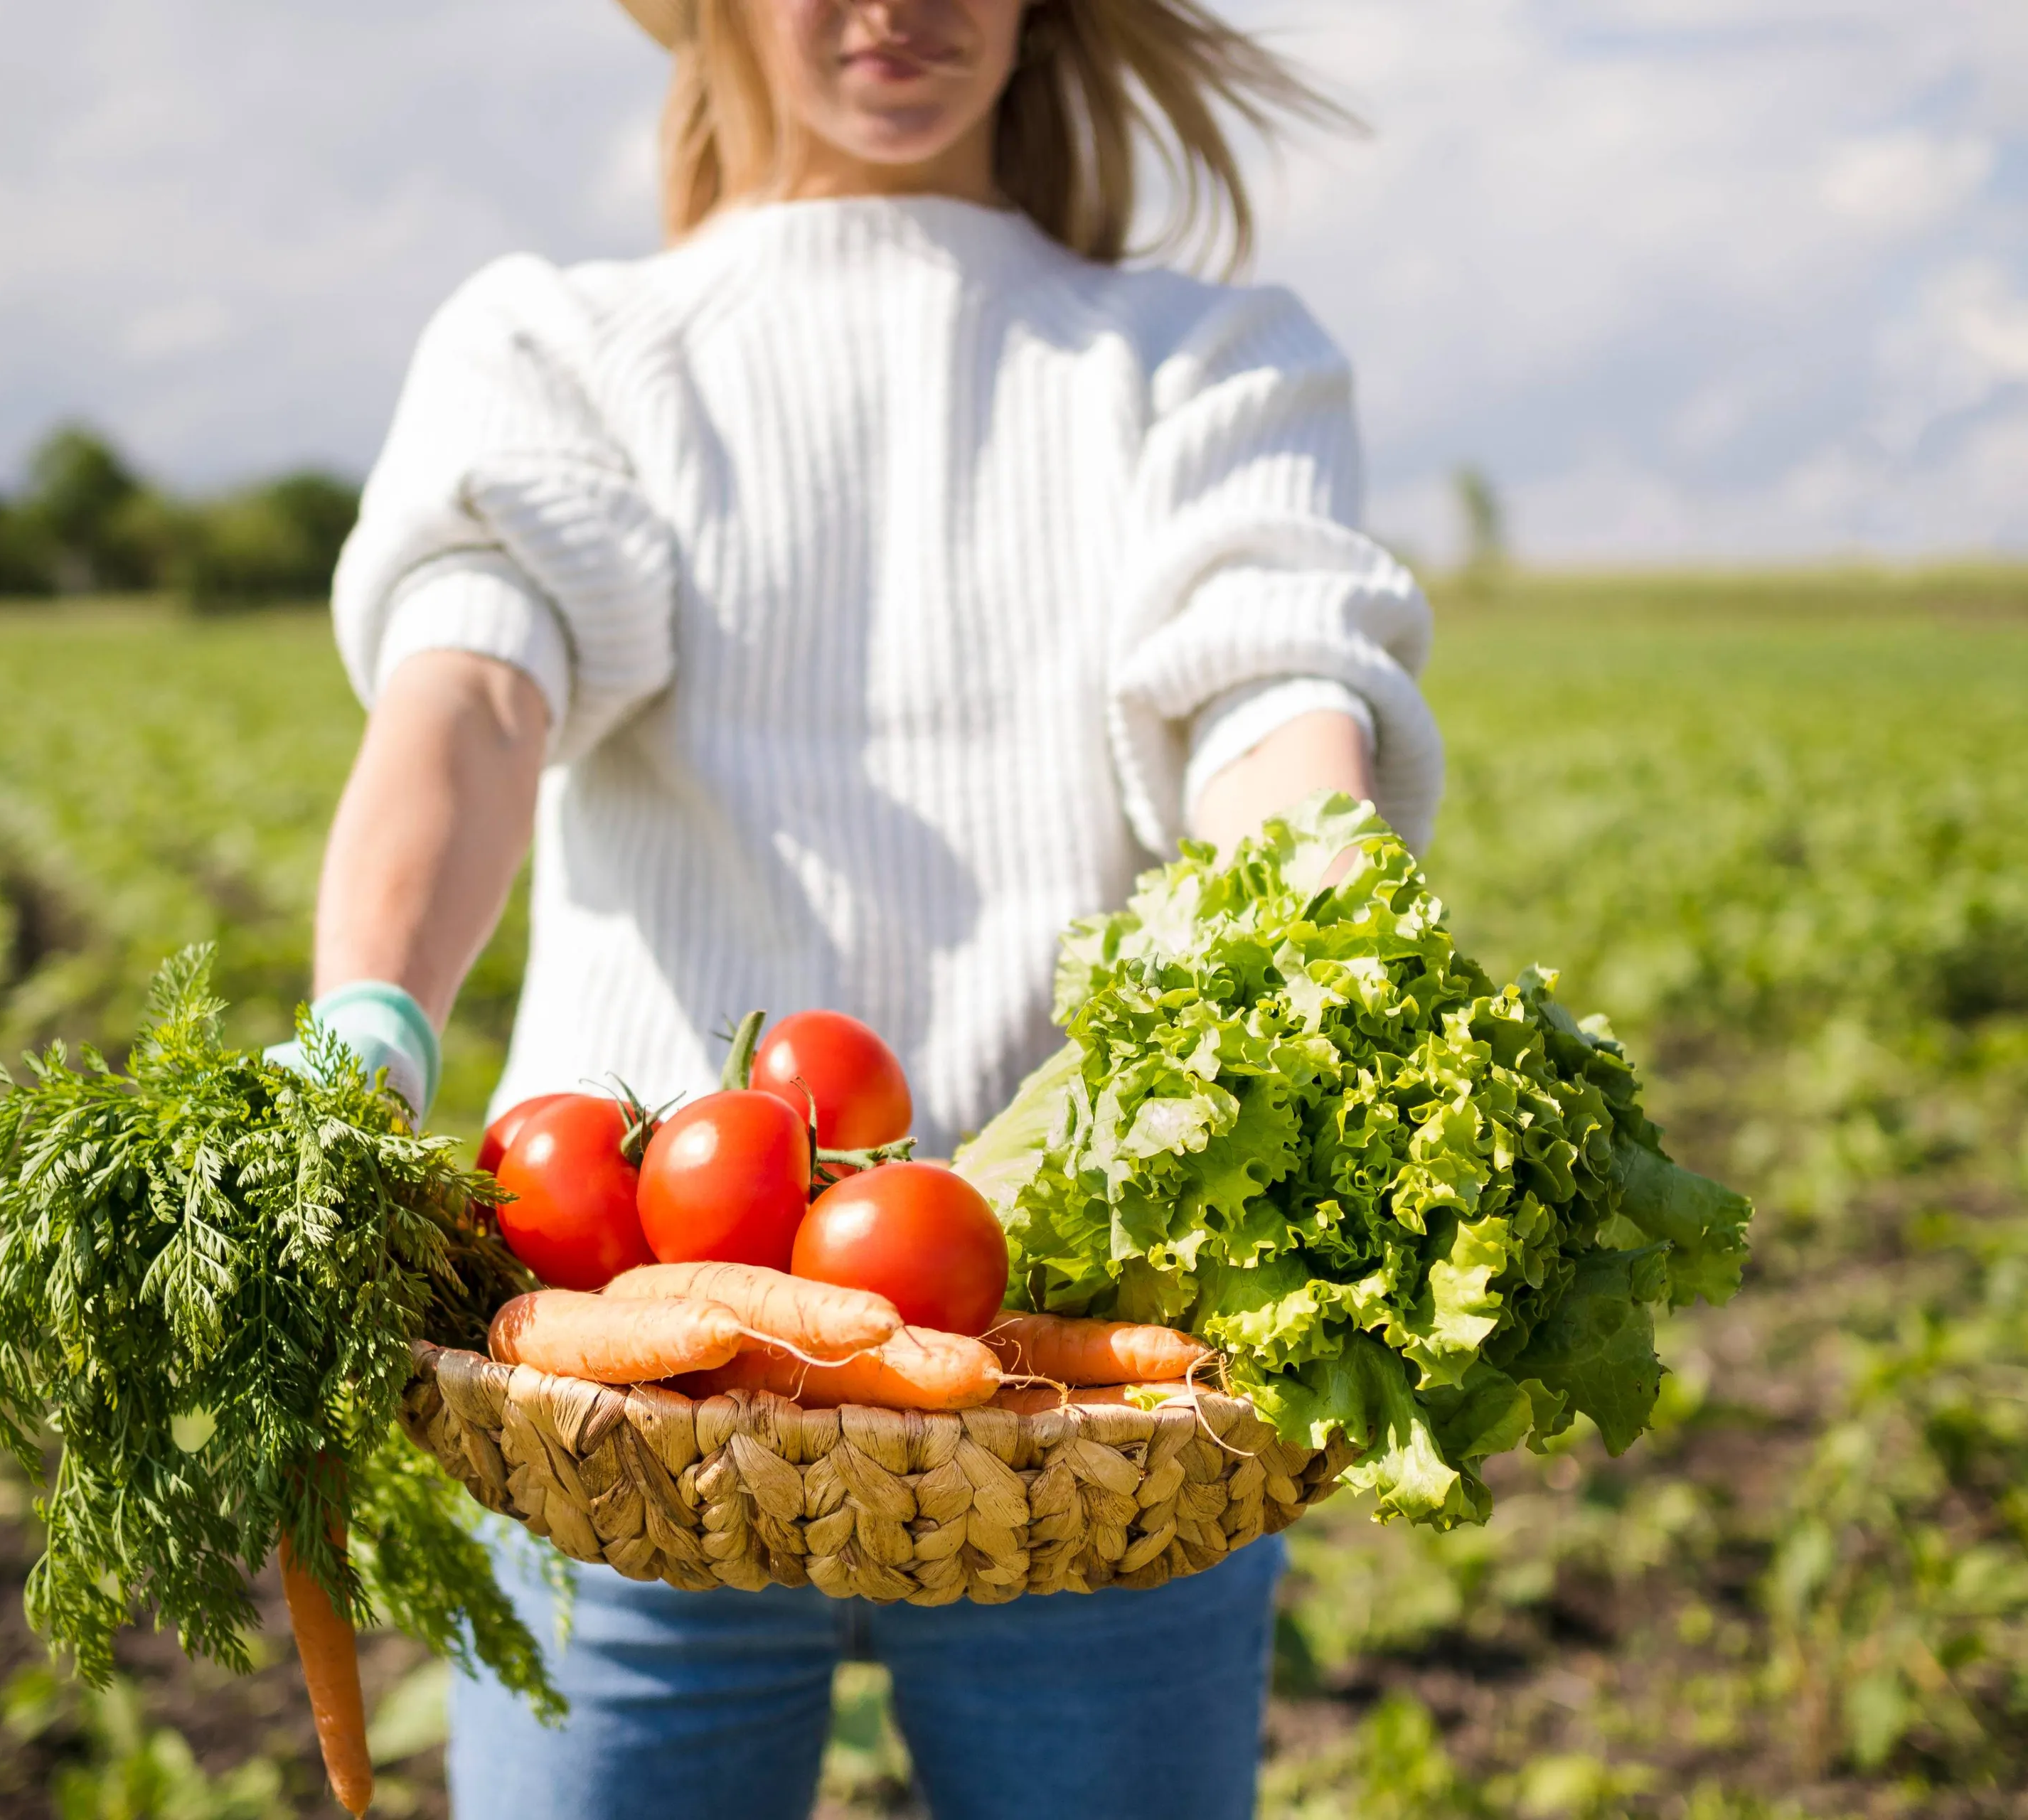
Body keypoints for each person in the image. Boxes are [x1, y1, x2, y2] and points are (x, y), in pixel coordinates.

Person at [288, 2, 1441, 1815]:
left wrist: (1319, 915)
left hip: (1076, 1388)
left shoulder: (1205, 359)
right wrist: (369, 1016)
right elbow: (474, 694)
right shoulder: (567, 349)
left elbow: (1264, 693)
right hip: (627, 1367)